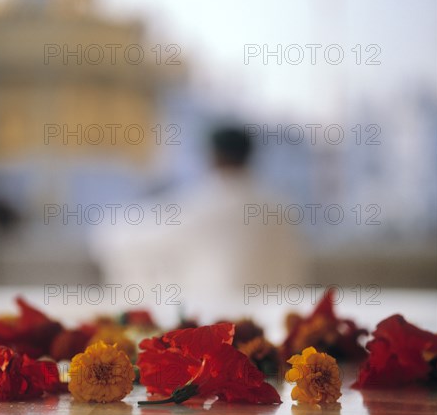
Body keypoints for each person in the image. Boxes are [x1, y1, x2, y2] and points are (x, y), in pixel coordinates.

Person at [90, 124, 308, 316]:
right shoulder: (279, 205)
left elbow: (126, 239)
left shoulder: (208, 202)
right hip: (273, 318)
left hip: (217, 323)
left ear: (213, 156)